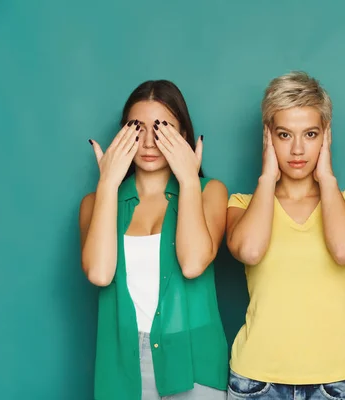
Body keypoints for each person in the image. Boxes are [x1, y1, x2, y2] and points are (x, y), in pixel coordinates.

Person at [225, 71, 345, 400]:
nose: (297, 149)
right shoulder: (242, 205)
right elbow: (248, 251)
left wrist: (327, 178)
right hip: (255, 381)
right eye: (283, 134)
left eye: (310, 134)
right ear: (268, 137)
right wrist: (266, 178)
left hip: (335, 383)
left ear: (326, 136)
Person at [79, 80, 229, 400]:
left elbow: (192, 264)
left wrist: (189, 179)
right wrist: (108, 184)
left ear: (183, 135)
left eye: (162, 129)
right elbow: (100, 273)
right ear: (121, 135)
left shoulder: (209, 192)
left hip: (193, 360)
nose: (148, 142)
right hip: (122, 366)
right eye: (137, 128)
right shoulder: (96, 203)